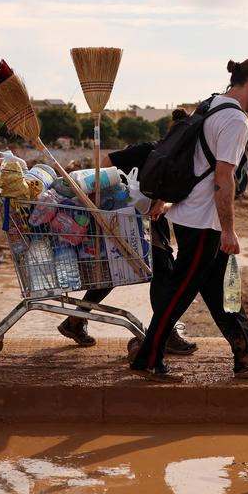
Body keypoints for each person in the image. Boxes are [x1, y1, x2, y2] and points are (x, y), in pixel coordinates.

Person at [128, 59, 248, 382]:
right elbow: (224, 178)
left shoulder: (211, 104)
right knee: (180, 292)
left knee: (222, 293)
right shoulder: (236, 121)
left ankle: (246, 355)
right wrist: (229, 230)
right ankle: (147, 358)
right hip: (203, 221)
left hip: (191, 214)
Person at [57, 107, 196, 354]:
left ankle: (75, 320)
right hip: (128, 221)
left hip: (150, 224)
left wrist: (162, 203)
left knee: (115, 272)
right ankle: (167, 334)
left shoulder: (181, 162)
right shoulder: (149, 150)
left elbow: (177, 198)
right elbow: (107, 163)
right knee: (164, 272)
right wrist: (124, 198)